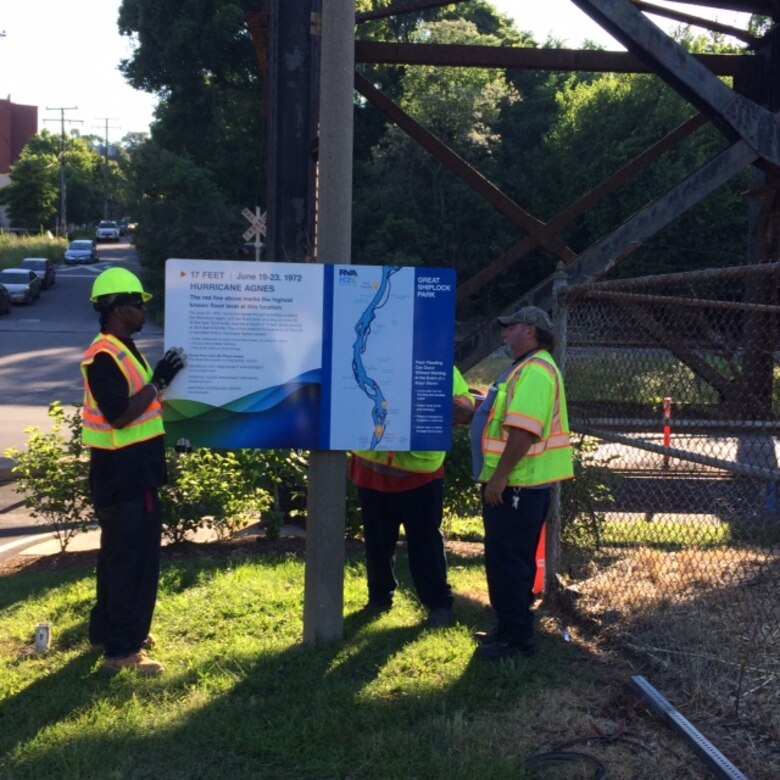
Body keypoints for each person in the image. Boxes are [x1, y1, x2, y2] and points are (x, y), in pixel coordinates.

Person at [82, 267, 187, 676]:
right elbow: (122, 415)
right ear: (118, 309)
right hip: (127, 475)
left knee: (117, 557)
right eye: (138, 305)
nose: (145, 311)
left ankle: (109, 631)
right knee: (134, 561)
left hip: (123, 472)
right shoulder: (105, 356)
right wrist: (158, 381)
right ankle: (123, 651)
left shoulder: (121, 347)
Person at [471, 306, 573, 660]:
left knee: (510, 563)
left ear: (530, 331)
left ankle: (516, 640)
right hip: (518, 486)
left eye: (509, 328)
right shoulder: (528, 369)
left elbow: (524, 430)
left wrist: (499, 478)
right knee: (507, 561)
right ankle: (508, 627)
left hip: (517, 486)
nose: (503, 335)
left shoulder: (535, 371)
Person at [349, 367, 474, 627]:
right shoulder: (370, 360)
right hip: (374, 468)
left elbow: (463, 402)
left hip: (420, 473)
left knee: (425, 541)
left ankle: (439, 604)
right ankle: (379, 598)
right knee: (377, 539)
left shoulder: (436, 364)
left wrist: (453, 406)